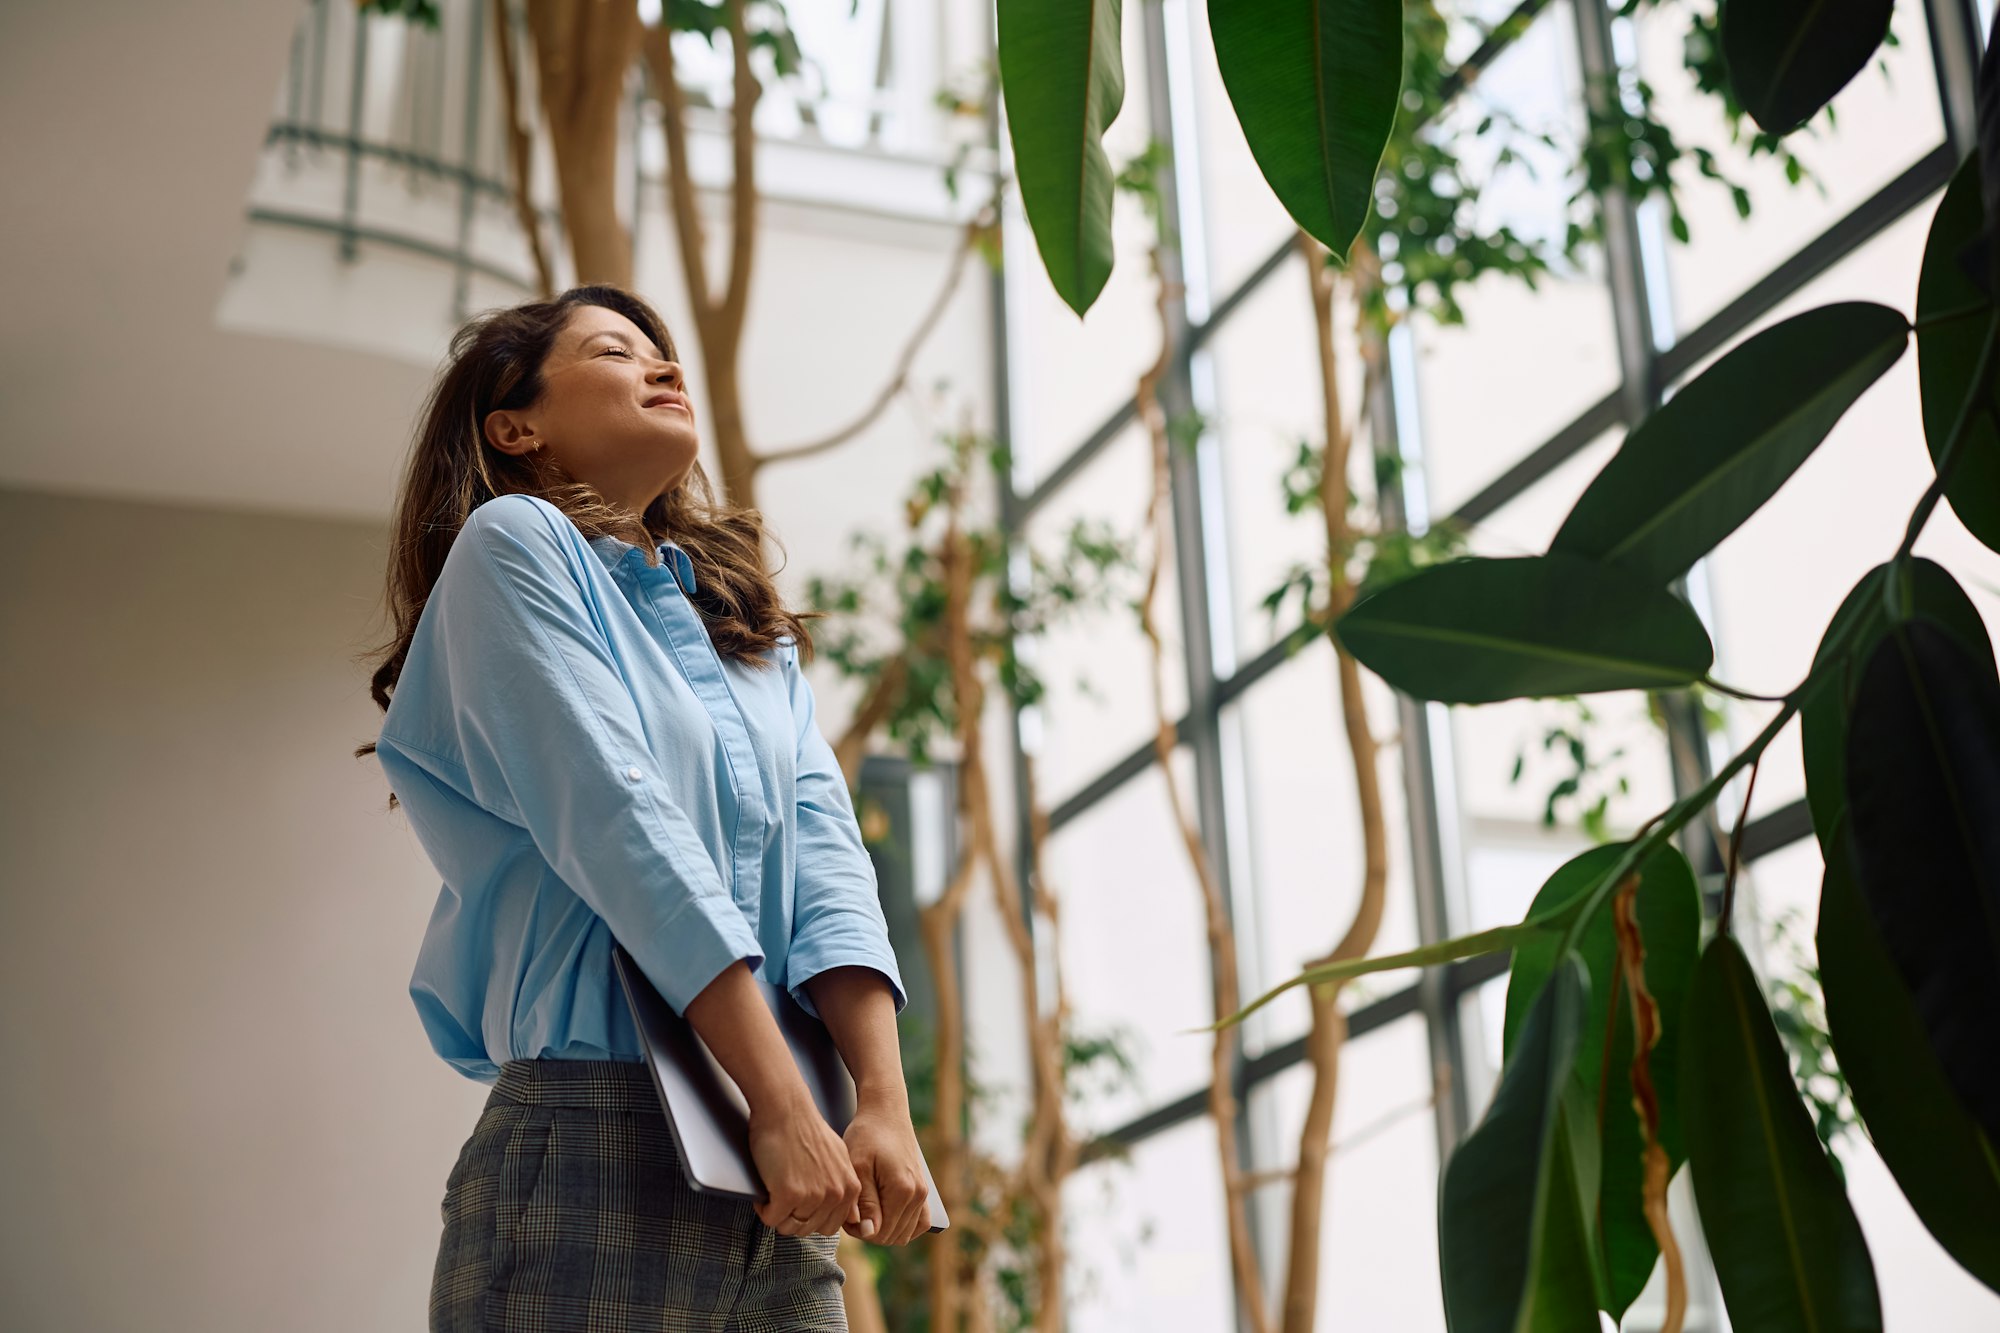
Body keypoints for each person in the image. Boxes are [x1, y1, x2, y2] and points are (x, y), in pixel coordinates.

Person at [355, 284, 929, 1331]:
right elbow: (621, 827)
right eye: (618, 351)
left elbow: (829, 865)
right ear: (513, 426)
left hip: (777, 1154)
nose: (664, 367)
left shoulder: (745, 630)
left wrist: (881, 1100)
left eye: (665, 353)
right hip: (599, 1134)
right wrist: (783, 1104)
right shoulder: (513, 546)